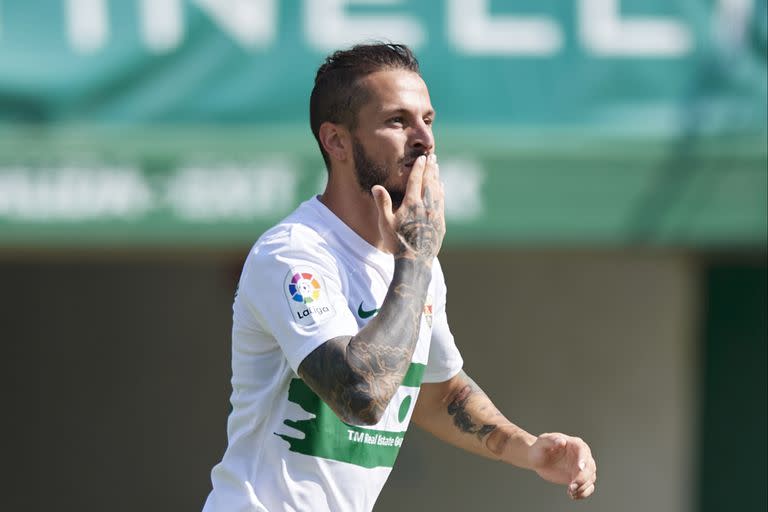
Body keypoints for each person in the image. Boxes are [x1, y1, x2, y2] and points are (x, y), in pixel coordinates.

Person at [203, 43, 596, 512]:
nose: (424, 140)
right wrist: (416, 256)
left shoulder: (416, 259)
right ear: (337, 141)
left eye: (427, 120)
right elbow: (360, 394)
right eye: (397, 121)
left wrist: (527, 449)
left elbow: (436, 392)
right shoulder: (293, 254)